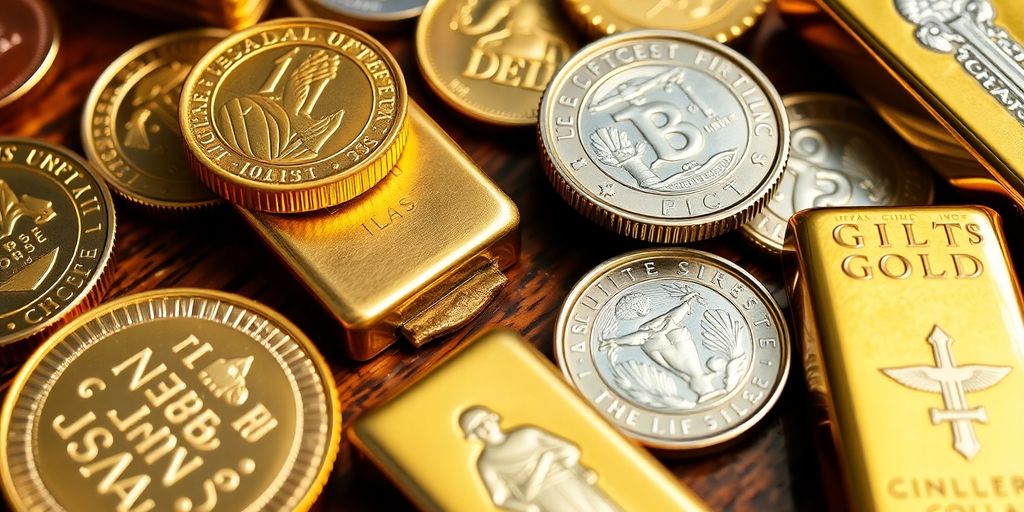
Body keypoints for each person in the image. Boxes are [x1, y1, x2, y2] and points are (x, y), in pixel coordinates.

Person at [460, 406, 620, 512]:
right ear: (473, 435)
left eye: (485, 421)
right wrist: (526, 508)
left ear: (494, 418)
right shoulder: (487, 463)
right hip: (544, 496)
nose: (486, 427)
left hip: (569, 480)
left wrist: (577, 467)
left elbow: (570, 450)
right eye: (478, 426)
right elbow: (500, 498)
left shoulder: (528, 434)